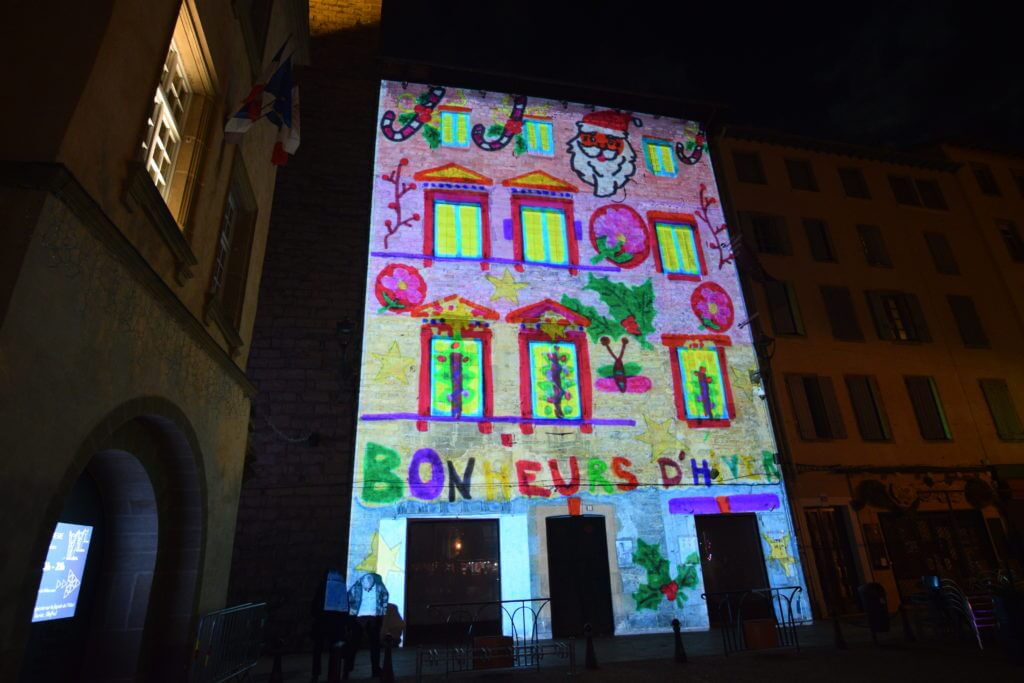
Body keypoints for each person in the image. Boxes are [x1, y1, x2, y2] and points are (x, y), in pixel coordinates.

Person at [310, 568, 356, 681]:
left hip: (322, 622)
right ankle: (339, 672)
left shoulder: (323, 586)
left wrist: (317, 615)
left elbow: (315, 605)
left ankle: (316, 674)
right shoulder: (342, 586)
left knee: (318, 649)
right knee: (337, 649)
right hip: (338, 624)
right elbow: (347, 607)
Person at [347, 573, 389, 678]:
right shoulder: (356, 586)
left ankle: (375, 669)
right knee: (354, 643)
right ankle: (347, 668)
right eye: (365, 586)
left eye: (369, 586)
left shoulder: (379, 587)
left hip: (372, 618)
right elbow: (349, 599)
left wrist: (381, 612)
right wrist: (352, 614)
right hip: (359, 618)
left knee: (375, 645)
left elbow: (385, 596)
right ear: (362, 582)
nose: (367, 588)